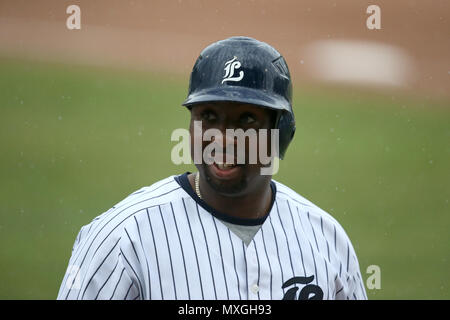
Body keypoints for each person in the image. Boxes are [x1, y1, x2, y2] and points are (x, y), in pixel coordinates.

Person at [57, 36, 367, 300]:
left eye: (246, 119)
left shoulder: (327, 240)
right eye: (208, 116)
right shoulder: (123, 239)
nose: (222, 138)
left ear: (281, 134)